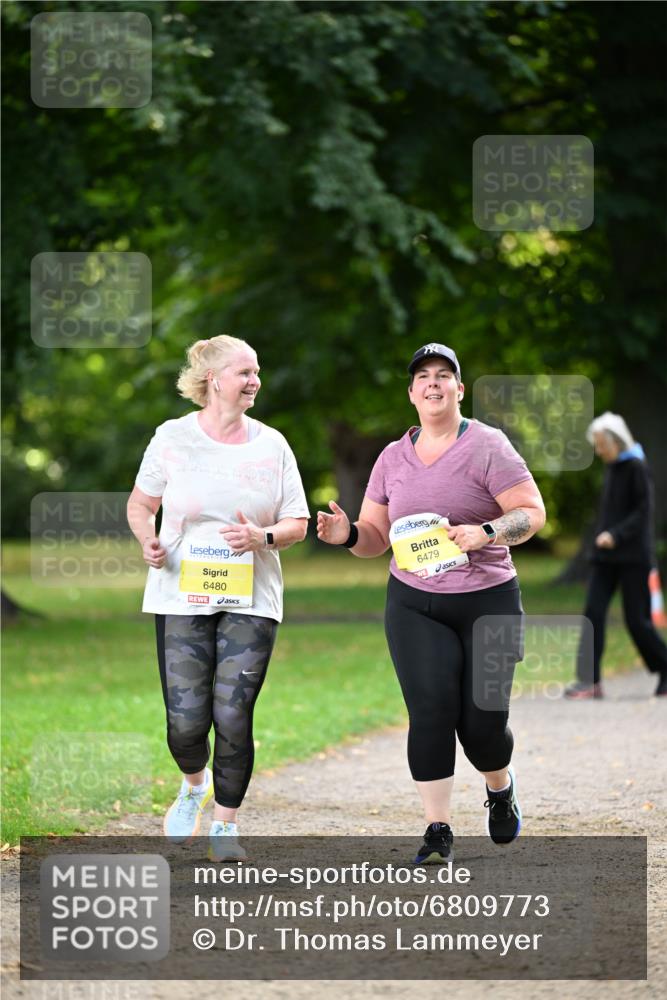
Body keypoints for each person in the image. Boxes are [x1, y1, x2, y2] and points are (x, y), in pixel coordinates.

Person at [317, 343, 546, 864]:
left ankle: (499, 784)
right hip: (415, 604)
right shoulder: (392, 457)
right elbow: (376, 535)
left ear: (459, 389)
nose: (434, 383)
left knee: (484, 726)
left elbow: (531, 514)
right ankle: (437, 829)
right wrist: (346, 532)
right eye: (423, 377)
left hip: (488, 602)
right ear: (412, 392)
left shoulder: (488, 445)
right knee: (431, 712)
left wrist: (485, 532)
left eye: (444, 375)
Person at [127, 335, 310, 860]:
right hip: (180, 592)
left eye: (257, 372)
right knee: (185, 722)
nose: (254, 381)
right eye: (244, 372)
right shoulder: (173, 438)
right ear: (213, 380)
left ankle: (226, 825)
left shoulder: (271, 444)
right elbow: (141, 506)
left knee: (233, 714)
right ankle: (193, 784)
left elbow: (296, 522)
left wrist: (263, 538)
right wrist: (149, 541)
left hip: (251, 596)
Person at [565, 412, 667, 699]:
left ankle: (665, 668)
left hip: (633, 557)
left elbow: (643, 512)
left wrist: (616, 535)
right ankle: (590, 681)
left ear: (617, 441)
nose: (598, 451)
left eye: (601, 444)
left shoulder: (635, 466)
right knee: (592, 615)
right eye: (596, 445)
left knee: (637, 622)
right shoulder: (612, 467)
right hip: (606, 558)